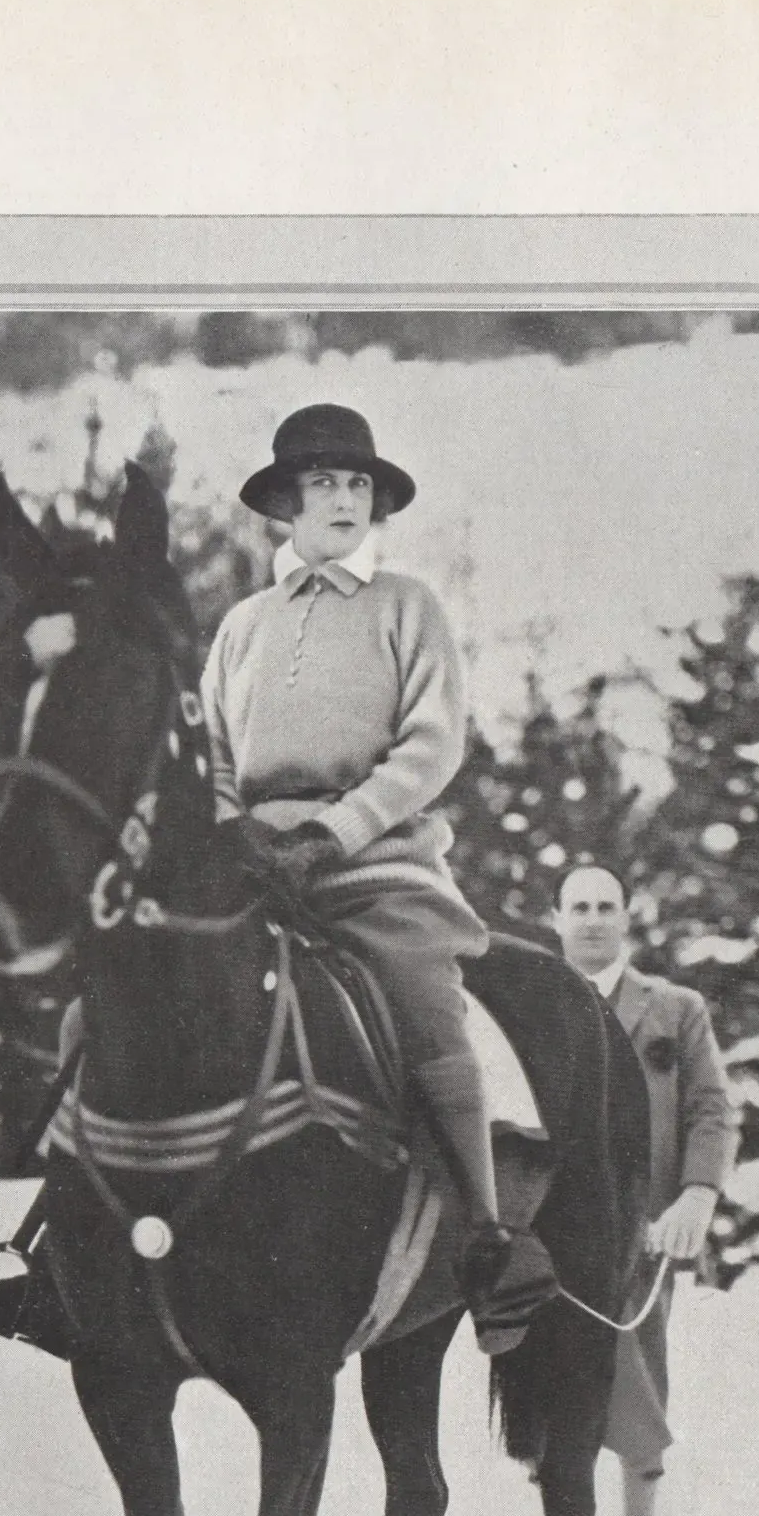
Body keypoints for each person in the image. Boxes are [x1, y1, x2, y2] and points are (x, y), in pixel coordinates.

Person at [201, 403, 557, 1351]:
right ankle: (74, 1250)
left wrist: (336, 829)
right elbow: (214, 754)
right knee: (130, 988)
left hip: (374, 864)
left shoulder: (408, 605)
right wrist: (237, 834)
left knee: (423, 998)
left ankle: (485, 1236)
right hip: (248, 872)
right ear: (285, 502)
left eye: (356, 483)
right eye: (322, 482)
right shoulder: (241, 626)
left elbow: (433, 744)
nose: (342, 498)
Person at [552, 861, 741, 1516]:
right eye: (579, 907)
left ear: (628, 916)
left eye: (606, 906)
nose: (593, 919)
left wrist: (696, 1195)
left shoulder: (674, 1008)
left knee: (635, 1388)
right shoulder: (536, 1007)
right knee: (553, 1399)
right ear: (556, 918)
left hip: (645, 1234)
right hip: (556, 1237)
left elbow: (712, 1108)